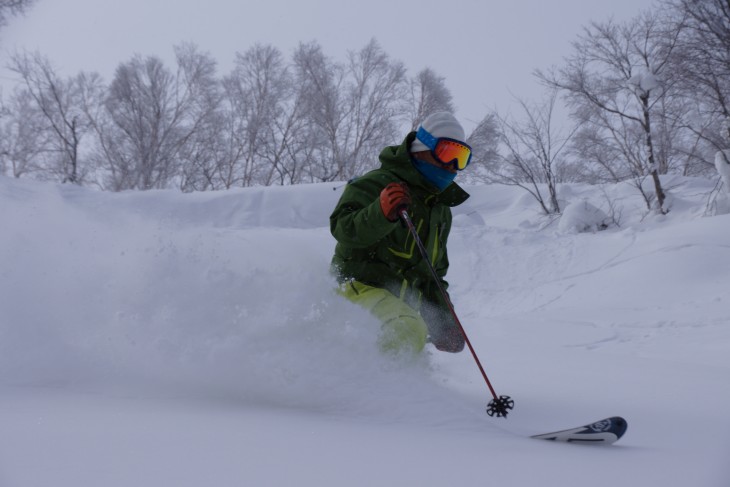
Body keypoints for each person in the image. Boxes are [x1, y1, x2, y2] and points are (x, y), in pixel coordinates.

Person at [330, 111, 473, 355]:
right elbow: (343, 229)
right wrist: (380, 213)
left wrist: (444, 324)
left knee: (409, 330)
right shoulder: (376, 184)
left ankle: (406, 389)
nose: (453, 165)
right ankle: (378, 391)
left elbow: (432, 277)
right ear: (421, 148)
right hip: (357, 288)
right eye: (448, 152)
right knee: (406, 327)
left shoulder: (439, 211)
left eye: (462, 157)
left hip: (400, 304)